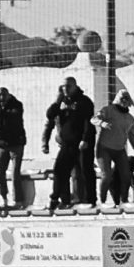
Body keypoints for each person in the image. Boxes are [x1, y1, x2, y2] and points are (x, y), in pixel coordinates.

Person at [43, 77, 92, 210]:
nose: (65, 89)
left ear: (75, 86)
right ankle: (58, 199)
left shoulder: (83, 101)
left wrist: (85, 139)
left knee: (81, 172)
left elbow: (88, 122)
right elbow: (50, 115)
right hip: (67, 143)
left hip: (80, 143)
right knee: (60, 170)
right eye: (63, 86)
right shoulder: (62, 102)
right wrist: (58, 100)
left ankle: (85, 199)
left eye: (68, 86)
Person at [94, 90, 134, 205]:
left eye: (126, 98)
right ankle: (102, 200)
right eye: (122, 98)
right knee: (106, 176)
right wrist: (102, 123)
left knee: (126, 176)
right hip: (104, 148)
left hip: (119, 150)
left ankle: (124, 200)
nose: (124, 101)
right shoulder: (108, 110)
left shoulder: (130, 119)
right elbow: (94, 119)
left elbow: (132, 137)